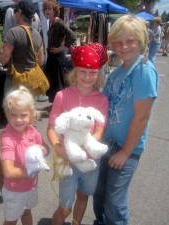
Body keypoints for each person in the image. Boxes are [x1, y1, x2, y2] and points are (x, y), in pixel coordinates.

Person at [93, 15, 159, 225]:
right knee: (100, 195)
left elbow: (142, 117)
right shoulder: (118, 72)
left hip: (125, 149)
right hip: (106, 144)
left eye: (130, 40)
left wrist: (125, 152)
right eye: (119, 42)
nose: (124, 46)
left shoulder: (142, 70)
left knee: (114, 203)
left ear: (141, 40)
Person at [46, 43, 109, 225]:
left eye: (92, 72)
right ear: (75, 71)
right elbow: (51, 128)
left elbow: (99, 129)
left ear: (98, 74)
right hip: (67, 159)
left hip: (90, 159)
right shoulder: (62, 96)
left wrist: (85, 148)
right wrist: (59, 149)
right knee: (65, 208)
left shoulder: (102, 99)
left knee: (83, 195)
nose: (87, 77)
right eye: (82, 71)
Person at [0, 86, 50, 225]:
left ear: (31, 114)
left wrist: (43, 150)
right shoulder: (7, 139)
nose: (18, 120)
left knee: (27, 212)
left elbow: (46, 149)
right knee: (11, 220)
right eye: (13, 115)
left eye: (23, 115)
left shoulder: (32, 131)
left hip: (31, 186)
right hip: (15, 190)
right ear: (6, 113)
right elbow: (9, 172)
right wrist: (30, 172)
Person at [0, 0, 45, 99]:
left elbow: (4, 59)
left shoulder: (13, 32)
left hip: (14, 80)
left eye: (15, 11)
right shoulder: (37, 35)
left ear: (19, 12)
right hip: (32, 82)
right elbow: (41, 61)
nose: (14, 14)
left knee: (11, 109)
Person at [43, 0, 76, 103]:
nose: (47, 11)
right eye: (45, 9)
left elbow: (72, 35)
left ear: (54, 10)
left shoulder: (58, 22)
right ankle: (54, 104)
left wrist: (62, 48)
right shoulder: (51, 22)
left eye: (49, 9)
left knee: (58, 83)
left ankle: (60, 104)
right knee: (52, 82)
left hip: (57, 57)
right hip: (51, 56)